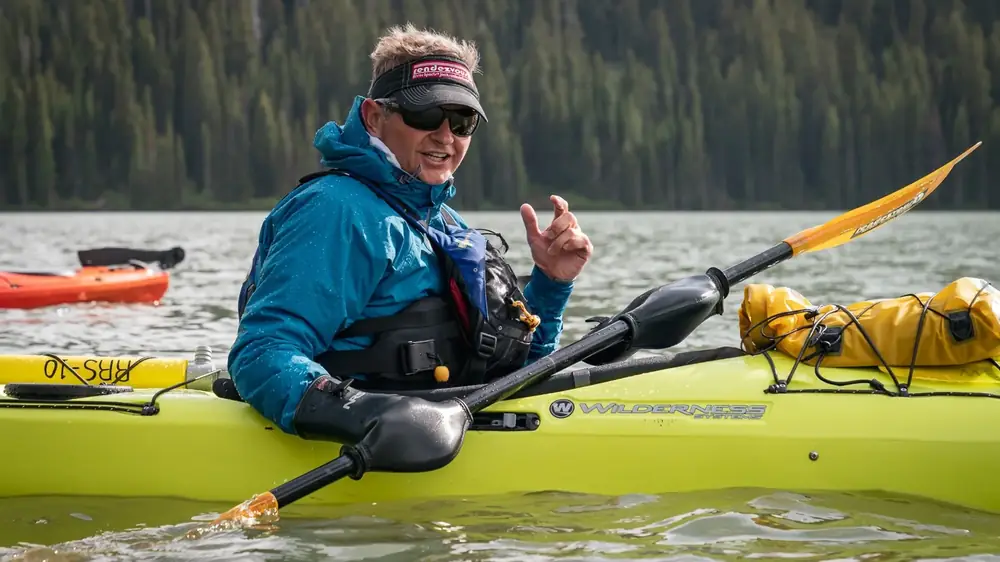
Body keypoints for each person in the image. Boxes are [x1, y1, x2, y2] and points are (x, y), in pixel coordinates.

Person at [228, 24, 593, 438]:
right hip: (369, 444)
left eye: (462, 121)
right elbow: (262, 353)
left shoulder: (442, 222)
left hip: (443, 428)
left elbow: (514, 371)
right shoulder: (336, 210)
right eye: (424, 115)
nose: (445, 136)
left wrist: (551, 284)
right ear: (374, 116)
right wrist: (363, 417)